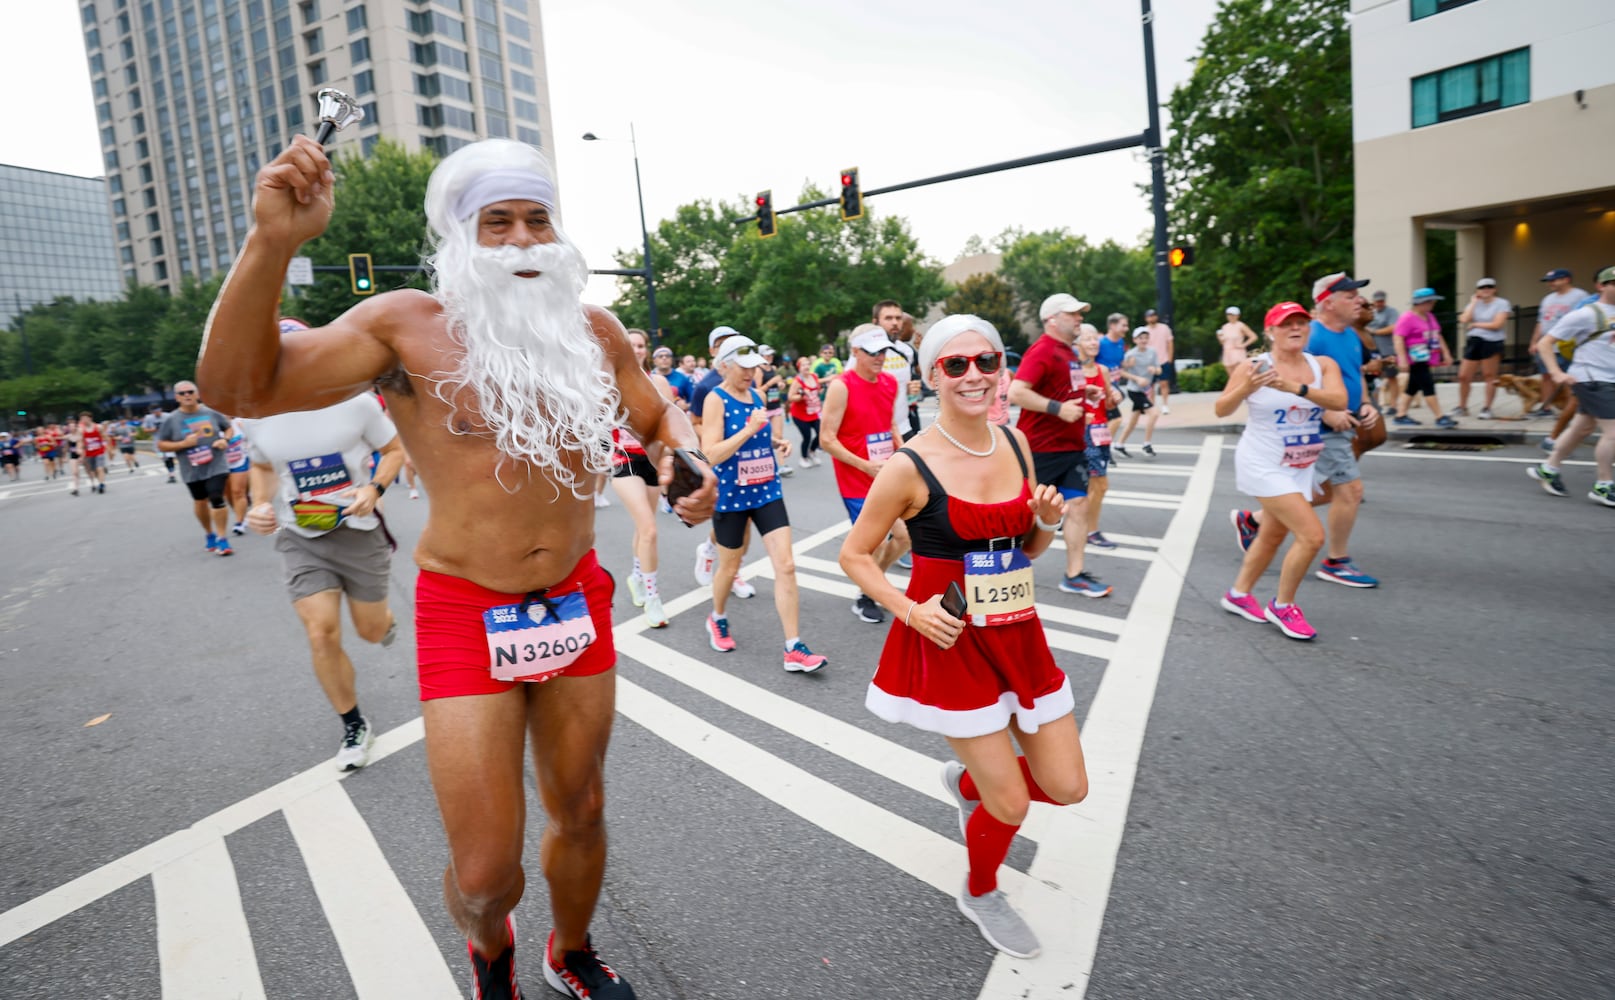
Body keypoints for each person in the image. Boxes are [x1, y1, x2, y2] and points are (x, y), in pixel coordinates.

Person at [200, 135, 718, 1000]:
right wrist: (273, 243)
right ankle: (491, 952)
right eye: (497, 222)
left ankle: (572, 951)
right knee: (482, 875)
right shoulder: (405, 324)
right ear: (457, 236)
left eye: (536, 220)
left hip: (573, 601)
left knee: (581, 807)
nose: (520, 241)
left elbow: (656, 414)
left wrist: (682, 458)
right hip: (465, 610)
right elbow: (239, 389)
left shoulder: (592, 330)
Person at [839, 313, 1088, 959]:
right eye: (956, 365)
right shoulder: (908, 465)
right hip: (949, 640)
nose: (974, 375)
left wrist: (1044, 523)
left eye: (987, 361)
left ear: (1002, 367)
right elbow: (856, 556)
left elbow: (1024, 551)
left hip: (1017, 632)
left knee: (1066, 786)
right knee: (1011, 803)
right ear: (929, 377)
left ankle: (969, 785)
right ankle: (980, 890)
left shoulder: (1014, 443)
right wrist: (906, 608)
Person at [240, 384, 405, 769]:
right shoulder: (254, 415)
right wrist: (260, 504)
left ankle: (385, 623)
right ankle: (354, 725)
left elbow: (394, 450)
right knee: (321, 633)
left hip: (358, 531)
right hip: (301, 536)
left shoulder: (356, 403)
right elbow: (262, 467)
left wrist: (375, 488)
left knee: (371, 631)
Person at [1231, 273, 1383, 588]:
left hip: (1345, 422)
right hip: (1318, 427)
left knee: (1319, 493)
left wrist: (1367, 403)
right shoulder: (1311, 335)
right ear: (1328, 302)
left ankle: (1254, 523)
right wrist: (1328, 411)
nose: (1359, 301)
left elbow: (1355, 375)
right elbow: (1298, 375)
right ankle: (1335, 561)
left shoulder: (1350, 335)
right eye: (1350, 296)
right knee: (1349, 492)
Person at [1216, 303, 1349, 639]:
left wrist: (1296, 389)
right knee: (1312, 536)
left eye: (1302, 323)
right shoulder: (1255, 366)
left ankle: (1238, 594)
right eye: (1286, 323)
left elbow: (1337, 400)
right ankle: (1282, 605)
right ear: (1270, 332)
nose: (1295, 328)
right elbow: (1221, 408)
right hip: (1262, 462)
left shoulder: (1322, 365)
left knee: (1274, 534)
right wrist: (1246, 388)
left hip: (1300, 464)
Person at [699, 335, 828, 670]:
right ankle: (718, 616)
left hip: (766, 491)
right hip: (732, 496)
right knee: (729, 567)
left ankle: (793, 647)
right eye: (743, 366)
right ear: (724, 365)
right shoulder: (716, 399)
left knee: (785, 565)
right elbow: (711, 453)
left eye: (754, 366)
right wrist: (748, 429)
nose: (751, 372)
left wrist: (776, 441)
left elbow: (755, 433)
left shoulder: (756, 393)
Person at [1007, 293, 1111, 597]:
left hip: (1071, 447)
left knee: (1079, 504)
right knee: (1027, 514)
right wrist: (1058, 408)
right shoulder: (1042, 350)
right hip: (1040, 449)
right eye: (1073, 314)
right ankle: (1005, 569)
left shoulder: (1068, 352)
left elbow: (1061, 387)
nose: (1079, 318)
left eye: (1081, 314)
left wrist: (1085, 392)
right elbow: (1016, 392)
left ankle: (1074, 575)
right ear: (1052, 319)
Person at [820, 324, 912, 622]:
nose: (880, 357)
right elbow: (826, 439)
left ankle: (871, 585)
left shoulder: (889, 382)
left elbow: (891, 424)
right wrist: (864, 465)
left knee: (905, 537)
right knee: (876, 542)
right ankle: (867, 594)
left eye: (883, 350)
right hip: (857, 479)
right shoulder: (841, 386)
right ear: (856, 352)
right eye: (872, 352)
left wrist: (905, 453)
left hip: (887, 474)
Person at [1528, 265, 1615, 506]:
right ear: (1602, 286)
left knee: (1582, 428)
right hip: (1591, 378)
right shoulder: (1586, 314)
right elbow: (1546, 343)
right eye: (1614, 284)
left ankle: (1549, 467)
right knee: (1613, 433)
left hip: (1609, 378)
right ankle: (1604, 485)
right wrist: (1556, 372)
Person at [689, 326, 759, 598]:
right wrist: (713, 438)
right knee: (731, 521)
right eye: (721, 343)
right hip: (717, 459)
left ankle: (732, 566)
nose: (729, 346)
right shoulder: (705, 386)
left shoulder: (747, 378)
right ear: (712, 351)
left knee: (747, 522)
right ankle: (712, 553)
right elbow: (694, 422)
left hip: (748, 462)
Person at [611, 329, 673, 629]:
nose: (636, 349)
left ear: (646, 350)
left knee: (645, 525)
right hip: (622, 460)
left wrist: (669, 460)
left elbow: (671, 423)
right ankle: (652, 597)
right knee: (648, 528)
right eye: (630, 345)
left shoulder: (658, 383)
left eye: (640, 345)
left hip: (652, 461)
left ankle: (637, 575)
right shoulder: (607, 381)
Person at [155, 382, 236, 555]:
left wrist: (224, 440)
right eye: (182, 393)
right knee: (200, 501)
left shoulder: (211, 412)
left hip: (216, 464)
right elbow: (161, 444)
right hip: (191, 468)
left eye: (190, 392)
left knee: (216, 497)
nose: (186, 395)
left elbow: (228, 428)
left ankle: (223, 539)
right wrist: (183, 444)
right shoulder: (171, 419)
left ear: (197, 394)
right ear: (176, 398)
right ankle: (209, 533)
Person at [1074, 326, 1122, 549]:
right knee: (1098, 484)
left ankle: (1082, 524)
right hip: (1083, 432)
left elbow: (1109, 402)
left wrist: (1116, 396)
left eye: (1095, 339)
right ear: (1077, 344)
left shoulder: (1102, 370)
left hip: (1101, 431)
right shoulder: (1074, 371)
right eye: (1088, 339)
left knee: (1096, 485)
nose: (1093, 343)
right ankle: (1089, 530)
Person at [1391, 289, 1457, 428]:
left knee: (1412, 387)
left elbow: (1437, 335)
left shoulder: (1429, 316)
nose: (1433, 304)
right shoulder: (1407, 318)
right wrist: (1402, 359)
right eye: (1430, 301)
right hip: (1415, 359)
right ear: (1420, 303)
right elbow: (1398, 338)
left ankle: (1400, 415)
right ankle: (1440, 417)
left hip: (1425, 357)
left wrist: (1446, 353)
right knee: (1428, 385)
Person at [1530, 268, 1589, 417]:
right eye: (1549, 281)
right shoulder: (1547, 299)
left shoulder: (1580, 296)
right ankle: (1546, 408)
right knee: (1546, 376)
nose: (1550, 283)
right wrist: (1534, 341)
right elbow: (1541, 322)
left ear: (1566, 279)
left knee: (1569, 377)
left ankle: (1572, 410)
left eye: (1554, 280)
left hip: (1567, 344)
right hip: (1547, 344)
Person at [1454, 278, 1512, 418]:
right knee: (1463, 376)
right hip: (1475, 341)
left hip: (1492, 341)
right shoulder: (1474, 304)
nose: (1486, 289)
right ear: (1477, 291)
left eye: (1489, 287)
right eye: (1482, 287)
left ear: (1494, 289)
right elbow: (1463, 319)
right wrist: (1474, 302)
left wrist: (1476, 325)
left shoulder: (1502, 303)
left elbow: (1497, 324)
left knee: (1489, 376)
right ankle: (1462, 407)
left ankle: (1487, 408)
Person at [874, 300, 922, 440]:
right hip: (877, 431)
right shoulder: (865, 351)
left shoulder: (906, 350)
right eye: (888, 318)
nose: (894, 322)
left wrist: (910, 390)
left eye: (898, 318)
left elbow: (905, 386)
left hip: (904, 427)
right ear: (876, 322)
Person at [754, 344, 793, 477]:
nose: (770, 357)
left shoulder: (774, 368)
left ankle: (781, 465)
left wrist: (780, 384)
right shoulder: (758, 370)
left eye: (771, 354)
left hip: (775, 405)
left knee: (778, 436)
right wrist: (771, 383)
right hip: (764, 408)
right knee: (764, 438)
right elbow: (757, 391)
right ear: (761, 355)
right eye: (767, 355)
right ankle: (764, 465)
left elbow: (777, 384)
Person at [786, 354, 823, 468]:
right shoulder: (797, 381)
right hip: (800, 414)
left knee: (821, 433)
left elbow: (818, 390)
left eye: (807, 364)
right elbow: (790, 397)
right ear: (799, 367)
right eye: (803, 365)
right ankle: (804, 457)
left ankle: (812, 451)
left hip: (814, 412)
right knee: (807, 436)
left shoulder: (814, 377)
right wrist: (802, 394)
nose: (806, 366)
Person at [1367, 291, 1401, 413]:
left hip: (1388, 350)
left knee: (1391, 377)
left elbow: (1393, 327)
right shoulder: (1371, 312)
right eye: (1377, 301)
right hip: (1374, 351)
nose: (1379, 303)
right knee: (1374, 378)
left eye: (1381, 301)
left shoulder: (1391, 312)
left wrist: (1374, 332)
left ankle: (1393, 405)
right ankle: (1375, 404)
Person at [1141, 308, 1175, 414]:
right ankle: (1152, 405)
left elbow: (1170, 343)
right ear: (1146, 318)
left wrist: (1169, 358)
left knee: (1164, 383)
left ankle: (1165, 404)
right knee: (1150, 386)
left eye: (1153, 315)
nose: (1152, 318)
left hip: (1163, 359)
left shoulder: (1164, 328)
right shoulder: (1144, 330)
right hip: (1150, 362)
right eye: (1149, 316)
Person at [223, 418, 253, 534]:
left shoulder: (239, 422)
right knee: (228, 495)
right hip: (221, 465)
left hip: (240, 461)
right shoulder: (213, 422)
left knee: (237, 491)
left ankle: (239, 522)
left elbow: (252, 441)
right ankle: (241, 512)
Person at [74, 413, 111, 495]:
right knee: (93, 470)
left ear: (90, 418)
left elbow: (105, 437)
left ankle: (102, 484)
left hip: (99, 450)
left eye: (85, 418)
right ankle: (100, 481)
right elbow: (80, 441)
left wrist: (109, 448)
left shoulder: (98, 427)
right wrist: (79, 449)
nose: (84, 420)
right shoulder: (81, 430)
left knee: (99, 468)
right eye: (82, 419)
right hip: (89, 453)